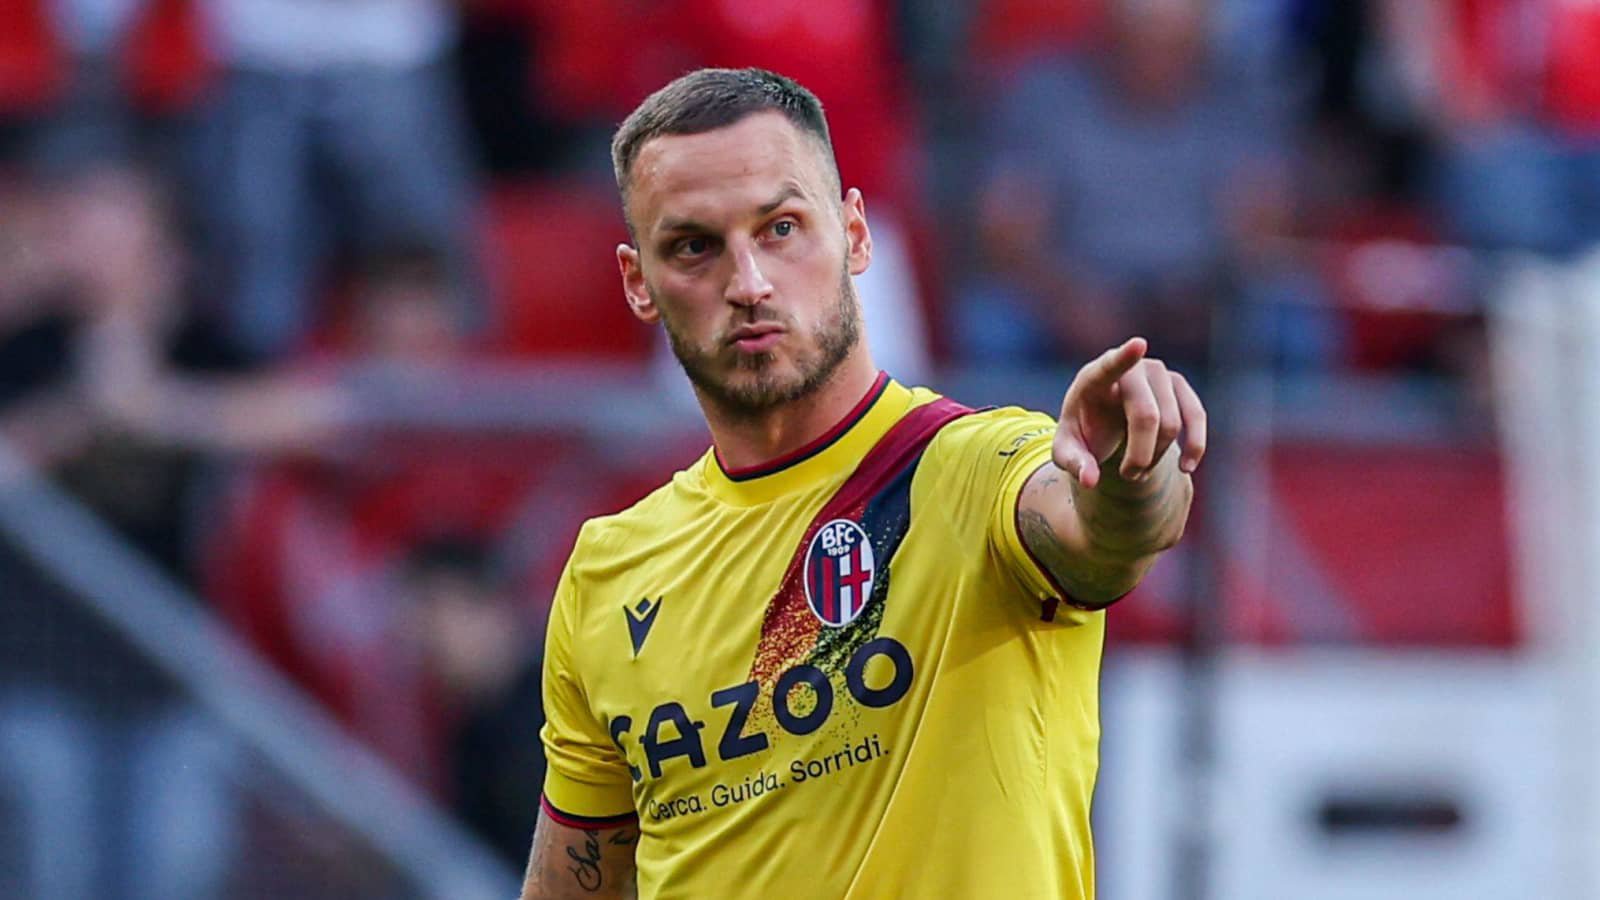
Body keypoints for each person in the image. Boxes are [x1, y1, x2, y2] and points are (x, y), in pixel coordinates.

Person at [518, 68, 1205, 899]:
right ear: (639, 283)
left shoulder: (968, 468)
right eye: (695, 246)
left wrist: (1131, 475)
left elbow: (1104, 536)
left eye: (780, 228)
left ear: (854, 234)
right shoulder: (608, 572)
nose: (749, 283)